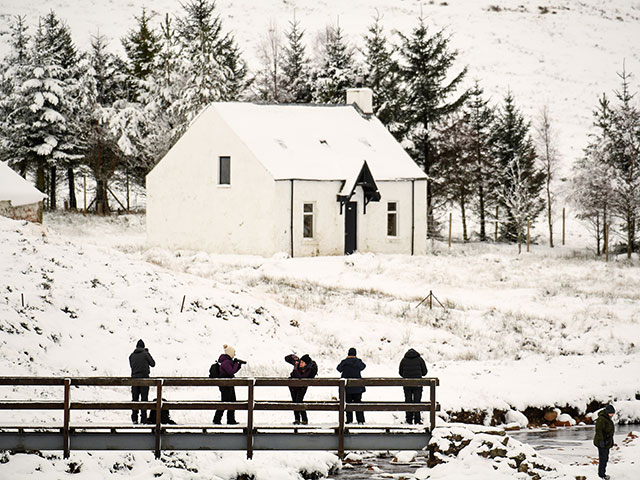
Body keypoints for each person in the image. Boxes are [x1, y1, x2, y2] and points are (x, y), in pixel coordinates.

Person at [213, 344, 245, 425]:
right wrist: (236, 364)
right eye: (234, 352)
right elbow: (231, 371)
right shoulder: (226, 362)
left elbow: (232, 371)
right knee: (225, 402)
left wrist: (238, 365)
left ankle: (230, 419)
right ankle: (217, 419)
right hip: (225, 384)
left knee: (232, 401)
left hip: (228, 384)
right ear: (230, 353)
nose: (234, 354)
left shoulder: (227, 361)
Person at [285, 353, 318, 425]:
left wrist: (295, 367)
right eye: (301, 361)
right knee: (294, 402)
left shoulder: (308, 369)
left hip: (302, 387)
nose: (300, 363)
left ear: (306, 364)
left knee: (299, 401)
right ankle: (297, 419)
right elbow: (286, 358)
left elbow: (300, 376)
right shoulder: (298, 364)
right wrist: (293, 357)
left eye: (303, 362)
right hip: (293, 386)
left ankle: (304, 419)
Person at [337, 347, 366, 424]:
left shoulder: (344, 362)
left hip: (347, 387)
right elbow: (363, 366)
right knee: (358, 403)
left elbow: (338, 368)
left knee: (348, 403)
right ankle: (360, 420)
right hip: (357, 387)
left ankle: (349, 420)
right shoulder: (358, 362)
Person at [129, 339, 156, 424]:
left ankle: (134, 418)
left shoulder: (131, 356)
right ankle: (143, 419)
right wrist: (147, 353)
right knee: (144, 399)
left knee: (135, 399)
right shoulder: (145, 354)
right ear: (143, 347)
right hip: (144, 379)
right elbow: (153, 364)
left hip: (134, 380)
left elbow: (132, 366)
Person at [399, 348, 427, 425]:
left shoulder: (404, 360)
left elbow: (400, 372)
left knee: (408, 400)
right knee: (417, 401)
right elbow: (425, 372)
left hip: (407, 384)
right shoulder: (420, 359)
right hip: (418, 384)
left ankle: (409, 419)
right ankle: (417, 420)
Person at [593, 404, 615, 480]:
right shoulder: (601, 419)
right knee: (603, 459)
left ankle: (602, 474)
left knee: (605, 458)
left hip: (606, 442)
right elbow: (598, 431)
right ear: (607, 412)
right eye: (610, 413)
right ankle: (601, 475)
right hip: (601, 442)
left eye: (613, 413)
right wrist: (602, 441)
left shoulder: (607, 418)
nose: (612, 415)